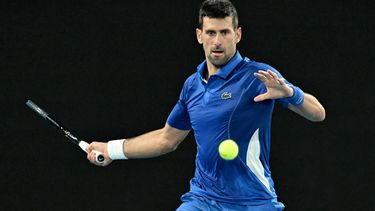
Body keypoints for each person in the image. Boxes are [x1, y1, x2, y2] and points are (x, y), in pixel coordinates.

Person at [86, 0, 326, 210]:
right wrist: (111, 149)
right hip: (203, 200)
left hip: (253, 202)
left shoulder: (258, 77)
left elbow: (318, 113)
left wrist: (289, 92)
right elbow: (166, 140)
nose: (218, 41)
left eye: (225, 32)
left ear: (238, 34)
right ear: (199, 35)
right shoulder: (192, 86)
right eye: (211, 33)